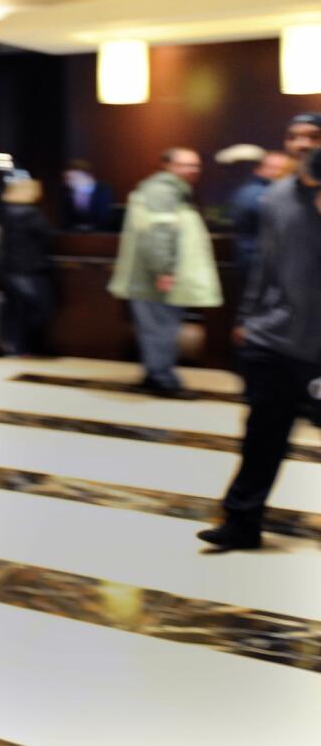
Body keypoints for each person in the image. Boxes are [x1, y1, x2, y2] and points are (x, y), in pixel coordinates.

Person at [199, 149, 321, 551]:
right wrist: (249, 318)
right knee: (263, 436)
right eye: (296, 138)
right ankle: (241, 521)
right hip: (275, 339)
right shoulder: (274, 199)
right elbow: (264, 265)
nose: (303, 145)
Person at [108, 148, 222, 397]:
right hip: (154, 277)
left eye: (196, 165)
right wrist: (164, 269)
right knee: (161, 328)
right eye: (185, 165)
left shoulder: (168, 190)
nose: (192, 170)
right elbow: (158, 233)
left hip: (152, 276)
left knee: (157, 327)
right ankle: (162, 379)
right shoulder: (162, 191)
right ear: (167, 166)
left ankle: (156, 374)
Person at [0, 178, 53, 356]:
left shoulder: (4, 212)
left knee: (17, 310)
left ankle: (15, 346)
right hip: (30, 268)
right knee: (38, 308)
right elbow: (47, 237)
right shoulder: (31, 214)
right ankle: (28, 347)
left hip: (9, 267)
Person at [229, 150, 293, 281]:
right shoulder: (261, 194)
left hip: (254, 258)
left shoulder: (252, 191)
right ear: (260, 169)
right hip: (259, 261)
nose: (282, 173)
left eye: (285, 169)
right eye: (276, 168)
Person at [60, 159, 117, 232]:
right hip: (75, 237)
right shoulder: (66, 193)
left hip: (101, 236)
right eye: (67, 179)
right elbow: (64, 222)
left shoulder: (104, 190)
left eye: (73, 178)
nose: (69, 183)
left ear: (88, 177)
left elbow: (105, 218)